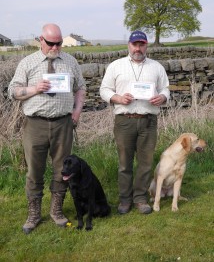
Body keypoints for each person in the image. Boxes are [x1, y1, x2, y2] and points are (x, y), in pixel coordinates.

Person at [8, 23, 86, 233]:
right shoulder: (28, 63)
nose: (55, 47)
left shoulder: (70, 61)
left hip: (63, 123)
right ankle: (33, 215)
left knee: (64, 170)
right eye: (51, 43)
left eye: (59, 43)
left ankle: (57, 212)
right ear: (40, 40)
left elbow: (80, 88)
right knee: (35, 171)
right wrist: (34, 89)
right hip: (35, 124)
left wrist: (77, 111)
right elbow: (12, 91)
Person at [100, 30, 170, 215]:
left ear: (146, 45)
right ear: (128, 45)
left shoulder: (157, 67)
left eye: (142, 44)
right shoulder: (116, 66)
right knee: (125, 164)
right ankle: (125, 199)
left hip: (148, 121)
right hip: (125, 121)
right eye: (135, 44)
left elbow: (166, 89)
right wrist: (118, 98)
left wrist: (162, 97)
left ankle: (140, 198)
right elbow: (104, 90)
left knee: (146, 163)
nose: (138, 48)